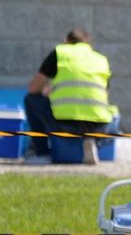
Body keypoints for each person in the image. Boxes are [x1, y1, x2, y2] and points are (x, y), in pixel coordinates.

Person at [24, 28, 119, 164]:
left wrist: (50, 92)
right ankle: (94, 143)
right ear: (88, 44)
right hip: (98, 127)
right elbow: (105, 95)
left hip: (65, 125)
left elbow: (33, 88)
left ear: (66, 41)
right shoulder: (101, 59)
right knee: (114, 115)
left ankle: (42, 153)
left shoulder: (60, 53)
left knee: (31, 99)